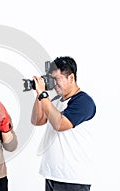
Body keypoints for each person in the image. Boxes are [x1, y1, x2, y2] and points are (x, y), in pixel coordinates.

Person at [31, 56, 96, 191]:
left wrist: (43, 94)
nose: (54, 84)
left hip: (73, 180)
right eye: (52, 79)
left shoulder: (84, 102)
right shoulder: (55, 99)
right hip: (52, 176)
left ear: (71, 78)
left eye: (57, 79)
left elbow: (60, 124)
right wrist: (39, 94)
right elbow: (37, 120)